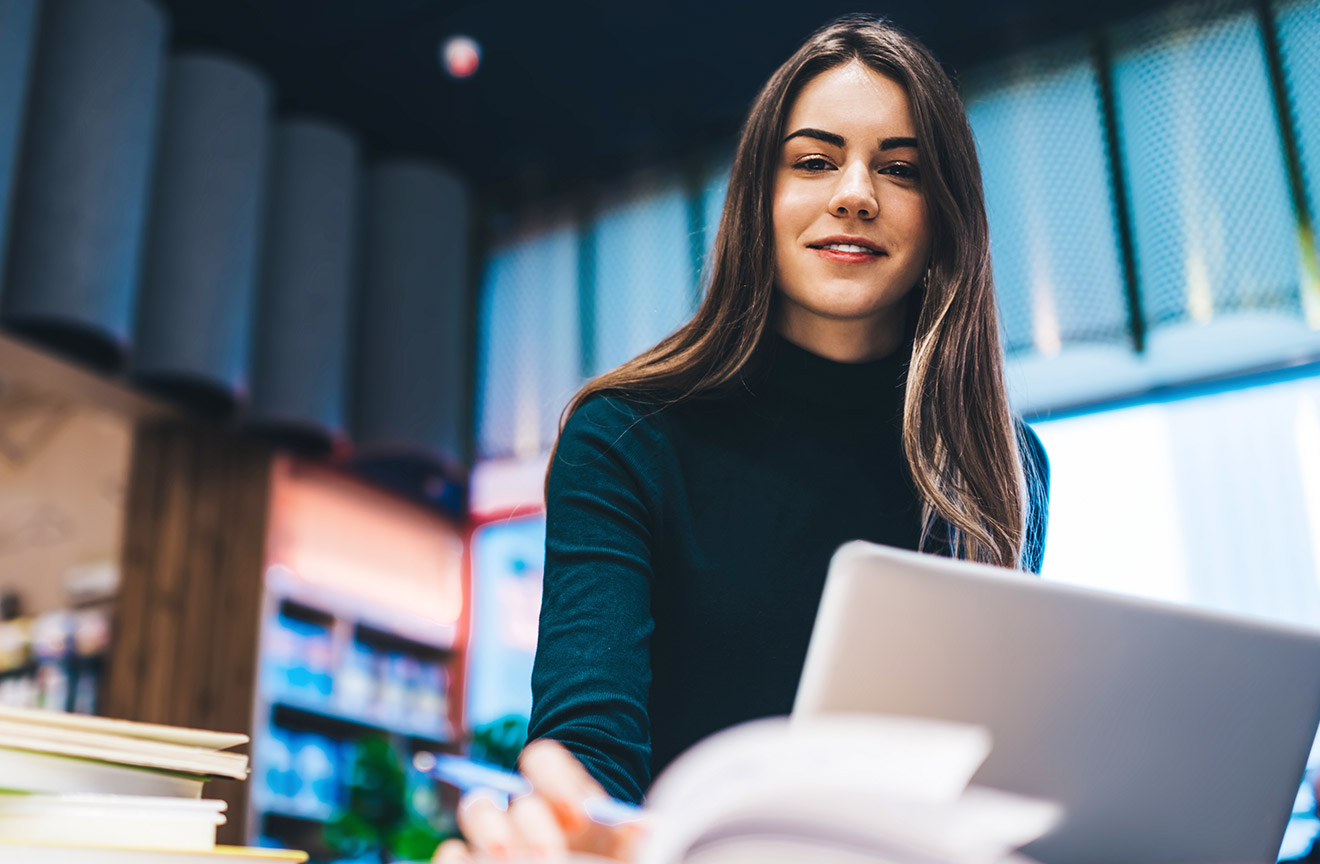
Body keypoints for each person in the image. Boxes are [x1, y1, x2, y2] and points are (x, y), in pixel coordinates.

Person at [436, 12, 1050, 863]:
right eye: (814, 160)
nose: (856, 193)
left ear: (944, 217)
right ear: (757, 200)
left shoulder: (999, 464)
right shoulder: (628, 436)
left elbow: (986, 772)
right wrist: (570, 832)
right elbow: (592, 749)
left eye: (900, 169)